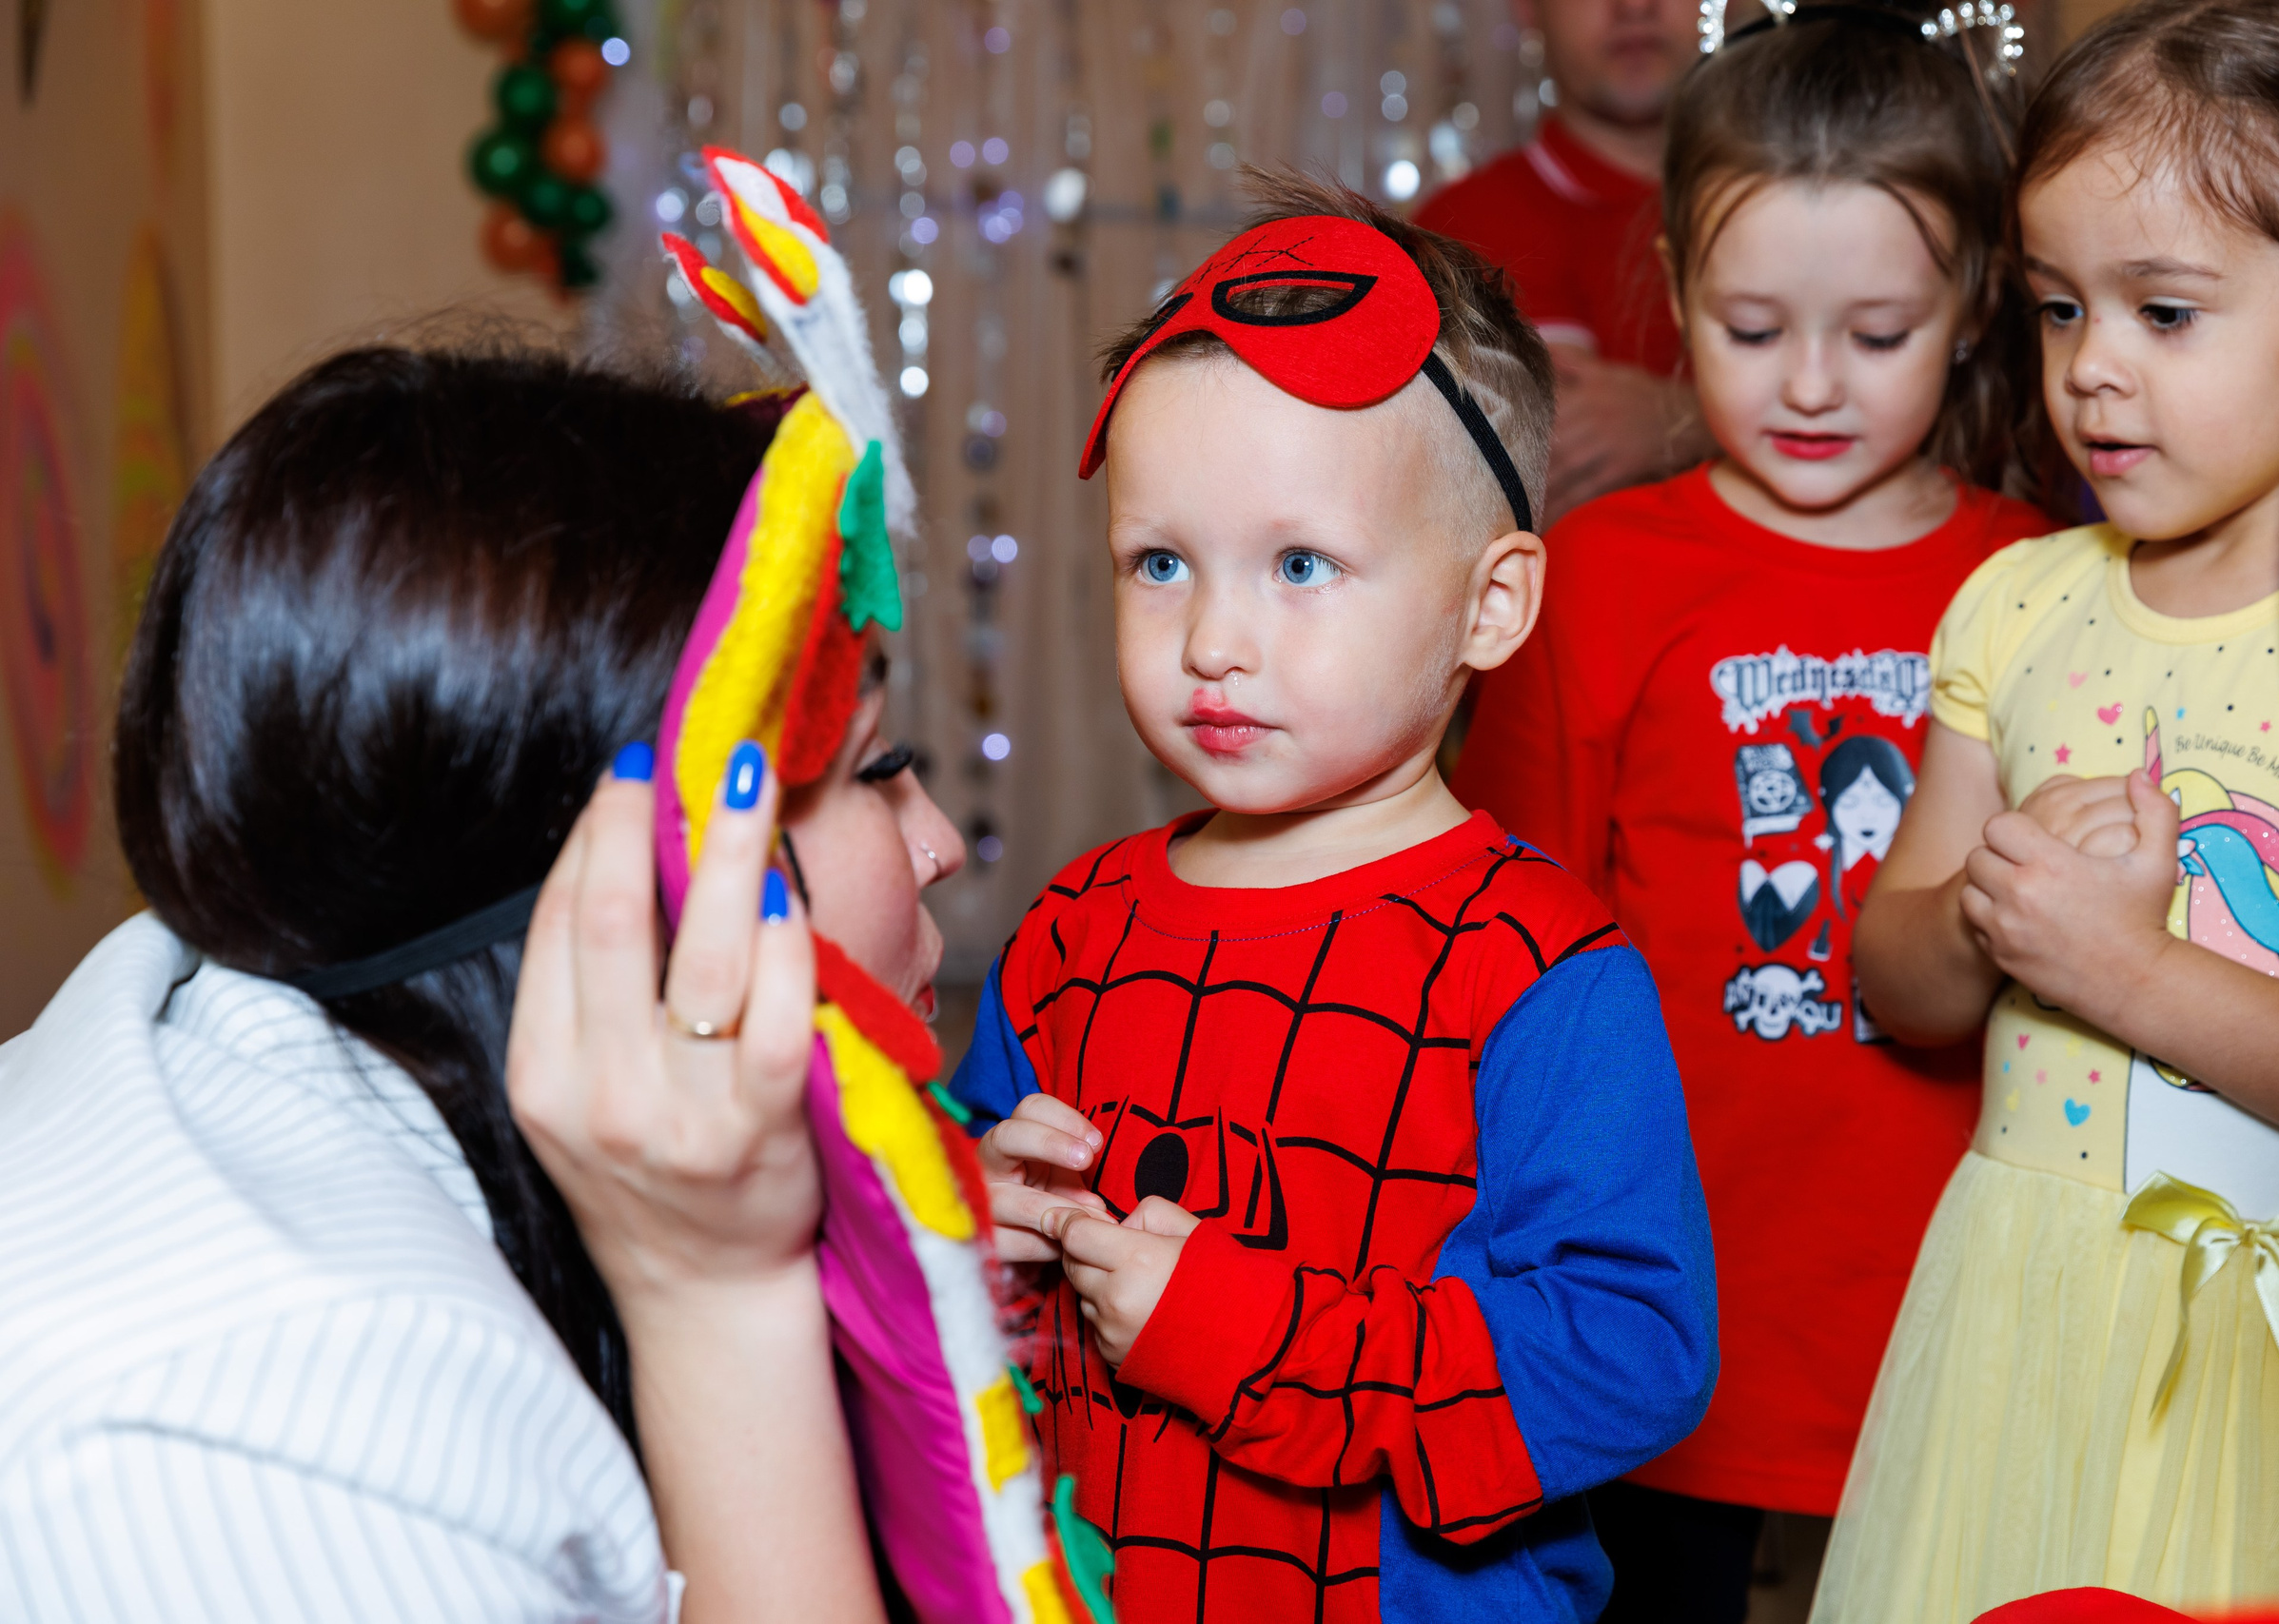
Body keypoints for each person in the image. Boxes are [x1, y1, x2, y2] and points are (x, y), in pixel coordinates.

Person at [0, 345, 960, 1621]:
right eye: (880, 763)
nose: (942, 839)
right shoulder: (255, 1440)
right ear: (641, 882)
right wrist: (721, 1300)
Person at [944, 170, 1718, 1624]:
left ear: (1491, 605)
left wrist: (1253, 1332)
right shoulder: (1067, 932)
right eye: (1160, 561)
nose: (1215, 638)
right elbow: (968, 1312)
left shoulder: (1545, 970)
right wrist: (978, 1223)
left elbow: (1635, 1349)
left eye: (1303, 564)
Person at [1820, 2, 2279, 1614]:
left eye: (2165, 312)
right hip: (2035, 1330)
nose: (2091, 368)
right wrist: (1981, 913)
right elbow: (1897, 977)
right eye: (2055, 308)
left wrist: (2127, 970)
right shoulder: (2019, 606)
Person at [1450, 10, 2051, 1620]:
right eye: (1750, 325)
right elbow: (1517, 952)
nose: (1806, 386)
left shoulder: (2044, 583)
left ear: (1977, 300)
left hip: (1963, 1305)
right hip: (1673, 1299)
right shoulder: (1596, 584)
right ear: (1674, 280)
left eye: (1874, 335)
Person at [1416, 0, 1709, 519]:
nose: (1635, 7)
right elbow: (1552, 468)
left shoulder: (1814, 209)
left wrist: (1686, 420)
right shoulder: (1461, 231)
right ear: (1529, 9)